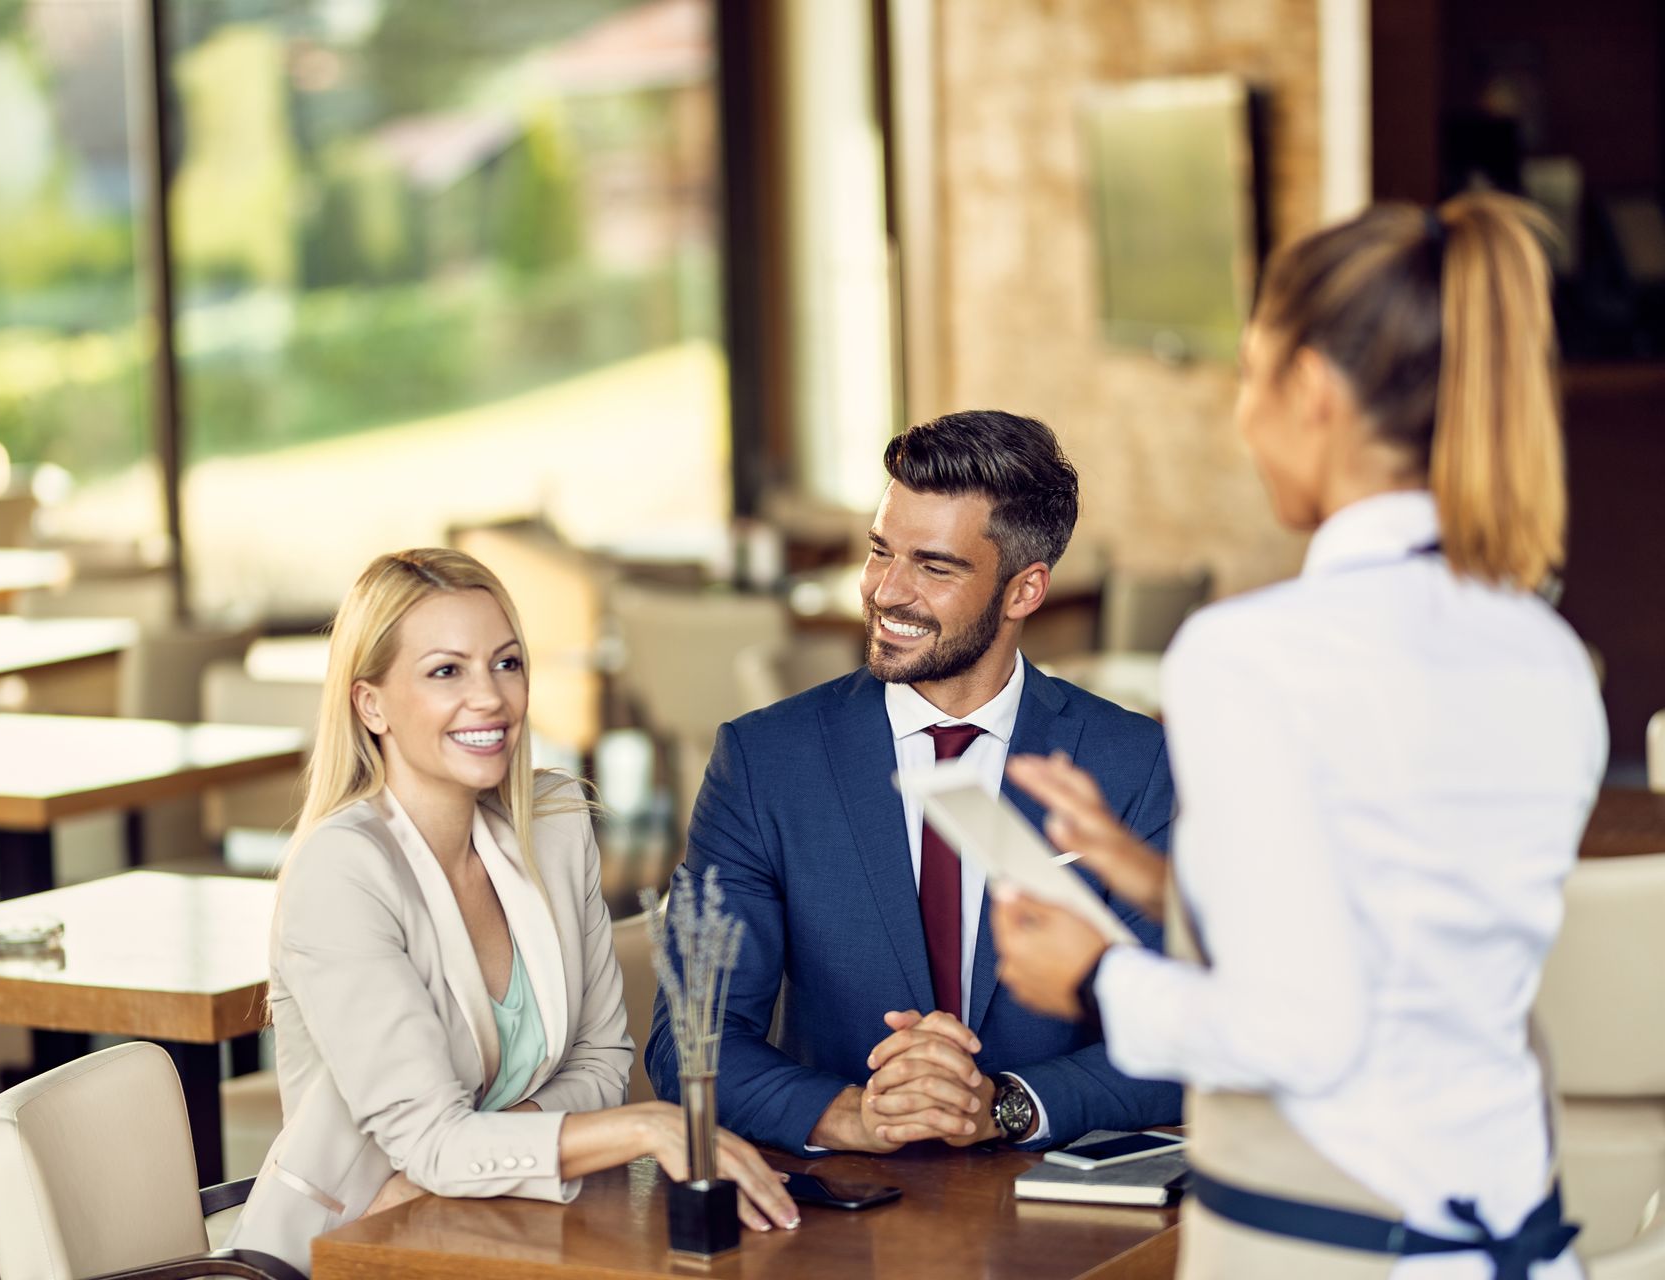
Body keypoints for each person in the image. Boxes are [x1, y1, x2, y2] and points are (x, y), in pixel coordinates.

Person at [993, 195, 1606, 1279]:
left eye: (1249, 375)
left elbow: (1300, 1028)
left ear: (1311, 391)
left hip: (1331, 1247)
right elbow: (1405, 945)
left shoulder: (1253, 654)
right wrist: (1169, 880)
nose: (1240, 416)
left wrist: (1094, 977)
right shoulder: (1545, 650)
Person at [230, 549, 798, 1271]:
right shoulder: (344, 870)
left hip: (501, 1229)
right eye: (446, 671)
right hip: (350, 1250)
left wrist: (478, 1158)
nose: (491, 698)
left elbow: (601, 1063)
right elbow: (436, 1142)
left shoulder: (554, 822)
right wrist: (643, 1128)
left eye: (506, 663)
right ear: (370, 703)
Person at [646, 411, 1181, 1157]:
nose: (885, 592)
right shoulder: (765, 760)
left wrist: (1009, 1106)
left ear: (1025, 591)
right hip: (841, 1209)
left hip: (1061, 1216)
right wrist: (854, 1114)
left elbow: (1189, 1038)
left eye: (934, 566)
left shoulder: (1135, 763)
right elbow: (690, 1042)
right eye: (878, 551)